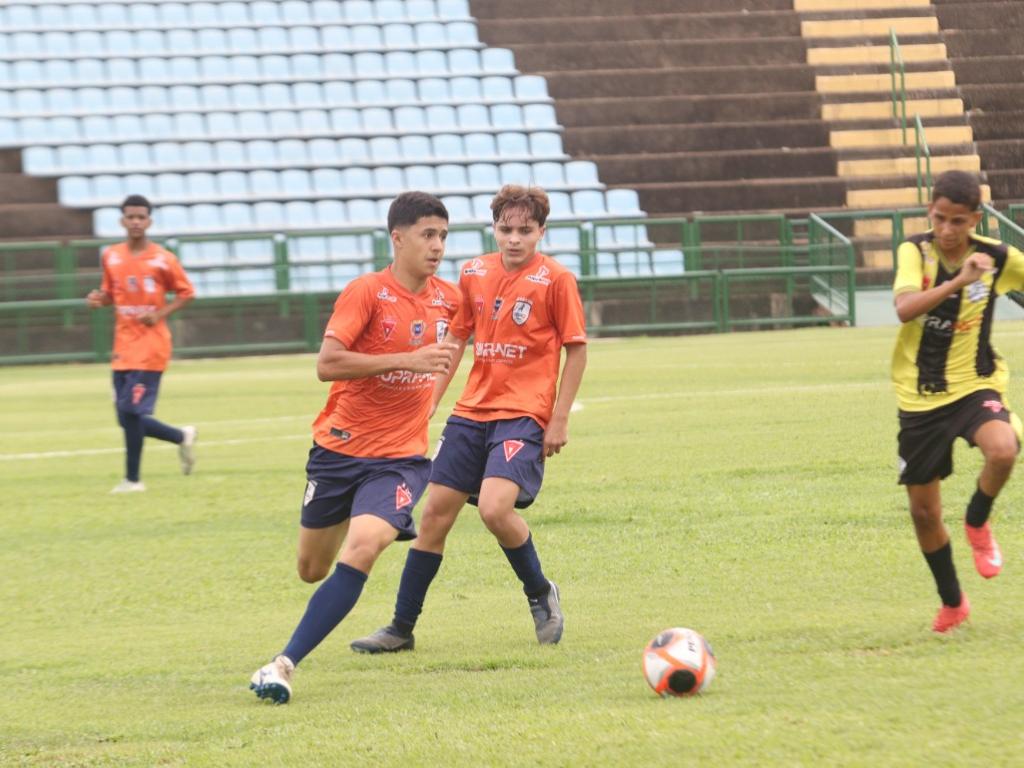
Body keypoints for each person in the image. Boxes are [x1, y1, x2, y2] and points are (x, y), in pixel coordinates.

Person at [350, 184, 588, 654]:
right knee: (434, 515)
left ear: (542, 231)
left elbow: (575, 349)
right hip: (472, 411)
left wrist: (558, 419)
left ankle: (540, 592)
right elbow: (457, 339)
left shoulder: (557, 280)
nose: (514, 239)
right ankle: (401, 627)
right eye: (505, 229)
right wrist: (430, 399)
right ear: (493, 229)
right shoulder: (474, 272)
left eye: (525, 230)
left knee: (494, 508)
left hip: (523, 413)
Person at [249, 191, 460, 704]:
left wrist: (430, 398)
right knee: (311, 570)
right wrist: (405, 360)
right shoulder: (366, 292)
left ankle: (282, 663)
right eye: (428, 235)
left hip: (401, 459)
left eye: (443, 237)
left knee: (364, 547)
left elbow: (451, 351)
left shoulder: (450, 298)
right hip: (338, 451)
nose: (437, 247)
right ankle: (348, 513)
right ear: (399, 237)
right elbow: (328, 364)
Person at [892, 170, 1023, 633]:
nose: (948, 230)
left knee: (1004, 448)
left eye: (959, 222)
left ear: (975, 220)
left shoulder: (997, 256)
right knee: (923, 513)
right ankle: (953, 602)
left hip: (974, 385)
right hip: (920, 396)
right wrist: (958, 282)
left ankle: (977, 521)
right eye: (940, 218)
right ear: (931, 211)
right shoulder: (915, 250)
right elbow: (904, 308)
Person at [86, 194, 197, 493]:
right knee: (125, 416)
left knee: (132, 413)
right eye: (130, 217)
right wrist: (100, 299)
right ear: (123, 220)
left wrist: (159, 313)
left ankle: (133, 480)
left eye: (141, 217)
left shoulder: (163, 258)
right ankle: (180, 436)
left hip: (151, 346)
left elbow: (187, 292)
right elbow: (111, 293)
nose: (136, 222)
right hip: (122, 346)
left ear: (149, 221)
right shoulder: (111, 255)